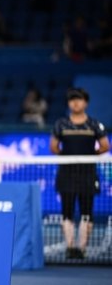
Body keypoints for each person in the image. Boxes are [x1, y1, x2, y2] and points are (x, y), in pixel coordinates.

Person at [50, 88, 109, 259]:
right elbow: (53, 146)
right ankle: (70, 247)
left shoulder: (94, 124)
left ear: (86, 102)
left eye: (79, 99)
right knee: (67, 210)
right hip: (66, 173)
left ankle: (82, 248)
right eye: (72, 100)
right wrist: (65, 157)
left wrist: (91, 156)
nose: (75, 103)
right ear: (69, 103)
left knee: (86, 211)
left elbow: (105, 145)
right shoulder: (61, 124)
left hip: (87, 173)